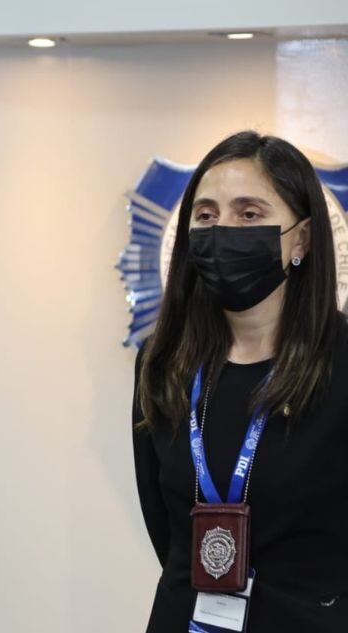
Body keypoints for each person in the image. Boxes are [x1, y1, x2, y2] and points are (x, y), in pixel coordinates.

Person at [133, 131, 348, 631]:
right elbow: (166, 530)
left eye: (249, 214)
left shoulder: (341, 364)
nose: (223, 229)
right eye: (207, 216)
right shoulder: (162, 362)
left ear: (302, 238)